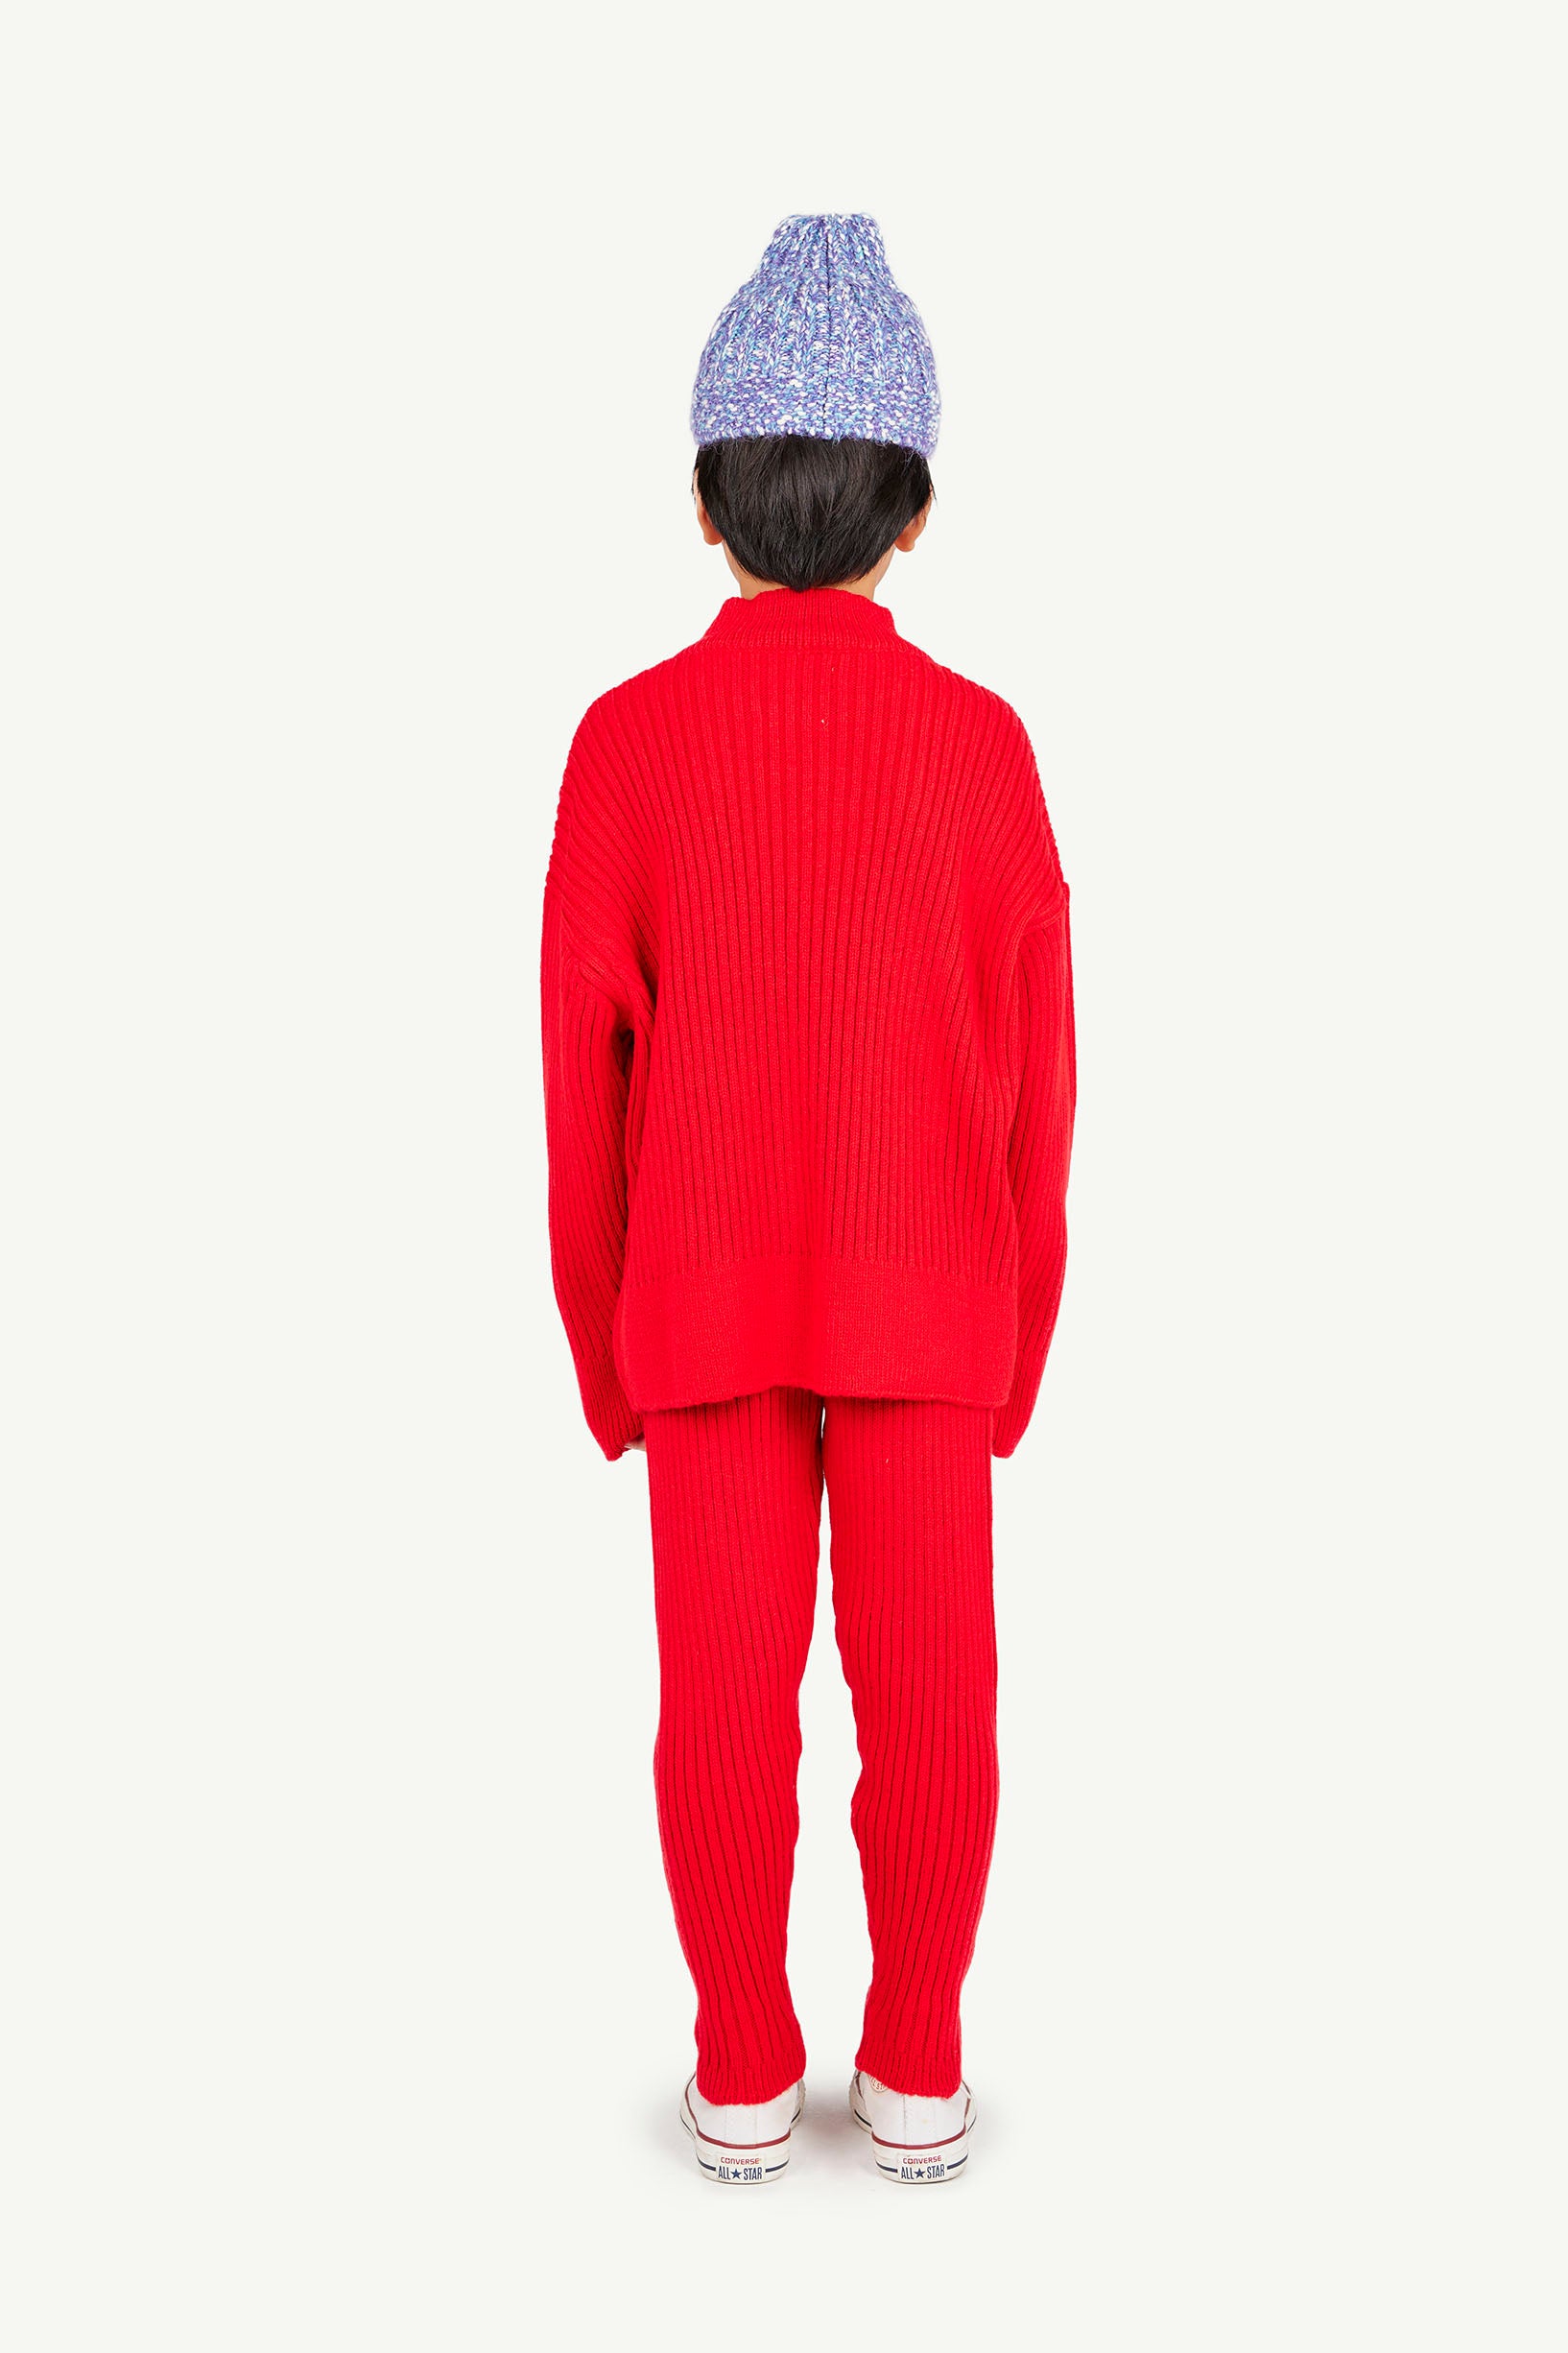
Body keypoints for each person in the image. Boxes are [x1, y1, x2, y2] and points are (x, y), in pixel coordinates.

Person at [540, 215, 1076, 2184]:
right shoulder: (983, 748)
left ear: (704, 501)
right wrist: (1015, 1336)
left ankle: (744, 2065)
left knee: (719, 1701)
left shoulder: (624, 745)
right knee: (934, 1695)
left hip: (693, 1296)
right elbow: (1041, 1082)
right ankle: (917, 2061)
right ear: (912, 511)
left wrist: (606, 1344)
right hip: (934, 1297)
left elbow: (576, 1080)